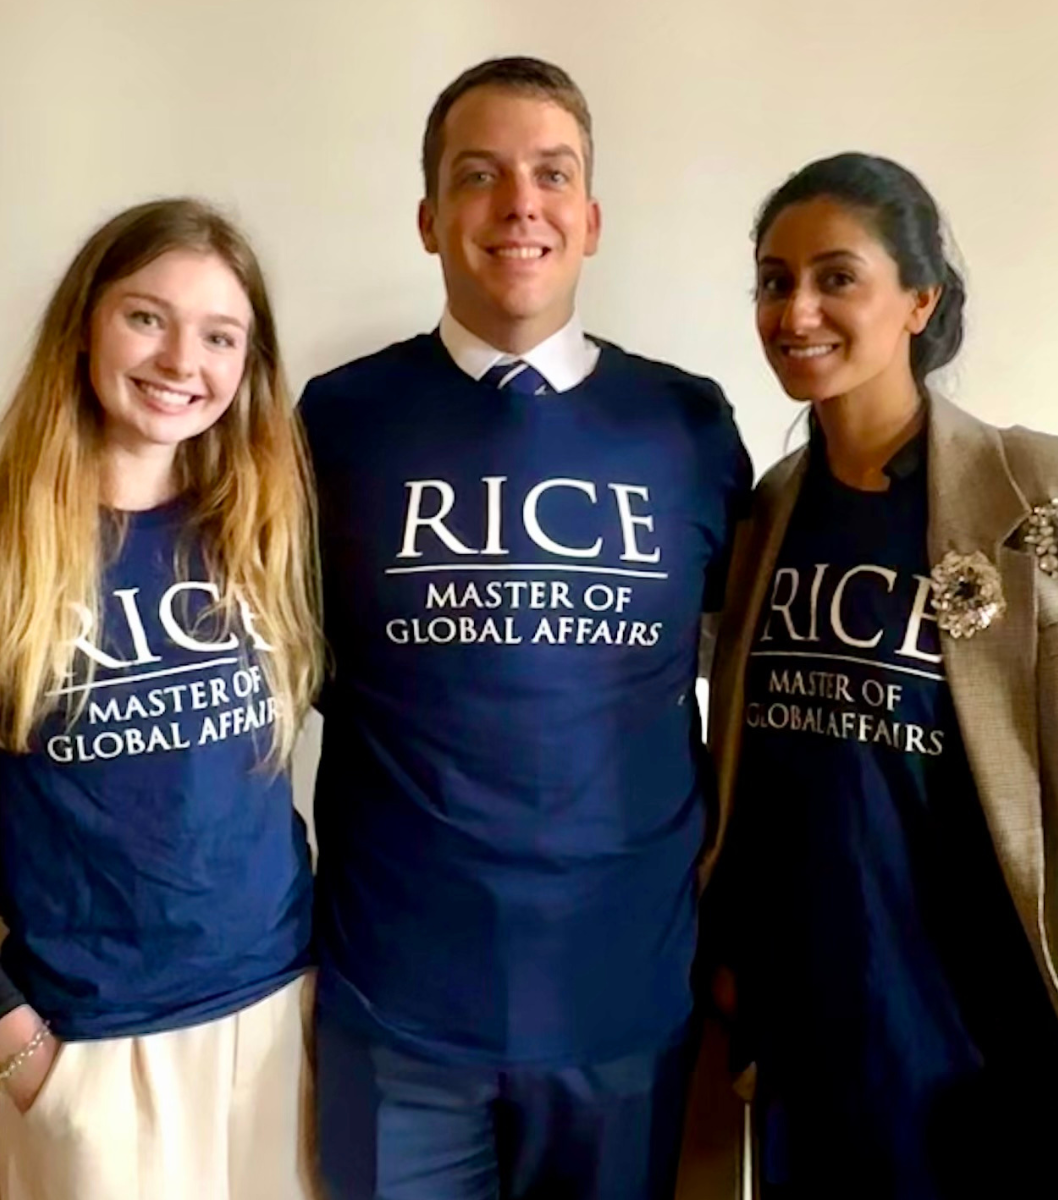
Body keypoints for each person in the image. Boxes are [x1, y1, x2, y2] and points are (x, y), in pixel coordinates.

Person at [702, 153, 1058, 1200]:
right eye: (774, 279)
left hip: (1025, 1086)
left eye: (837, 276)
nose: (797, 309)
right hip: (823, 1071)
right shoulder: (762, 519)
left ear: (919, 298)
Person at [298, 56, 753, 1200]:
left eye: (553, 174)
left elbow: (743, 679)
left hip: (625, 994)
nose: (520, 204)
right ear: (428, 216)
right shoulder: (335, 420)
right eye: (479, 174)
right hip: (396, 998)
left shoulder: (687, 425)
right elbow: (277, 669)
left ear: (591, 219)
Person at [0, 198, 323, 1199]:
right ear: (84, 322)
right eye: (146, 316)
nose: (180, 359)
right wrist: (16, 1042)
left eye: (219, 334)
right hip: (88, 1051)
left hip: (286, 1022)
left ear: (247, 365)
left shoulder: (267, 531)